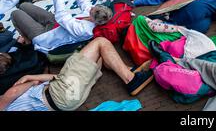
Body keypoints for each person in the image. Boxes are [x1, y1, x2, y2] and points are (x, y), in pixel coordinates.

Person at [0, 37, 153, 111]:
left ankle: (128, 69)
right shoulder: (4, 101)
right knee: (100, 42)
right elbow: (14, 91)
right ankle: (131, 78)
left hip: (67, 102)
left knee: (97, 57)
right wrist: (29, 81)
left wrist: (31, 77)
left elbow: (55, 78)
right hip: (60, 92)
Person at [10, 0, 114, 53]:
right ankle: (28, 28)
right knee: (24, 5)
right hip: (56, 25)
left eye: (92, 9)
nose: (90, 7)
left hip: (46, 36)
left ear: (93, 18)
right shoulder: (94, 15)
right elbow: (85, 4)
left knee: (15, 13)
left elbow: (61, 15)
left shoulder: (83, 30)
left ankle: (27, 40)